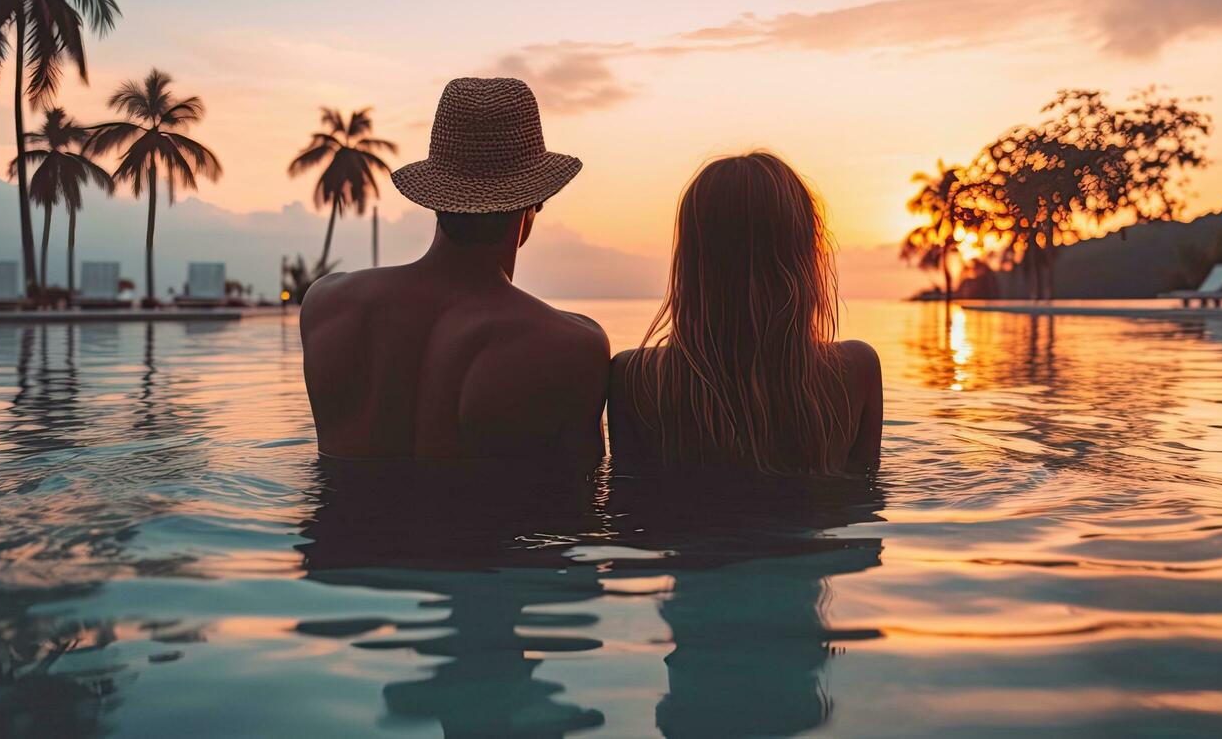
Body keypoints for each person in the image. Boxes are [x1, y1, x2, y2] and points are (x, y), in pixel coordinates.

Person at [301, 77, 610, 461]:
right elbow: (584, 496)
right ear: (534, 205)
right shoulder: (571, 346)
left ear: (435, 196)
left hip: (341, 518)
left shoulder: (325, 305)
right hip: (478, 521)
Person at [608, 151, 882, 474]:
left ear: (693, 261)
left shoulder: (634, 379)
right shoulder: (856, 370)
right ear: (804, 254)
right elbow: (865, 497)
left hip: (688, 524)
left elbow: (630, 505)